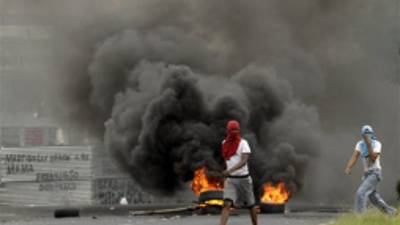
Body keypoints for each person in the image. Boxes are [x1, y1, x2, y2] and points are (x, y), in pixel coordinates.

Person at [345, 125, 397, 215]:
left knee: (360, 193)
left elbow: (373, 158)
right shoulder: (359, 144)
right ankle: (392, 213)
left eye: (369, 133)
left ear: (372, 134)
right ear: (362, 135)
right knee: (374, 199)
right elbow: (355, 156)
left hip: (375, 174)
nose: (367, 135)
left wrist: (369, 145)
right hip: (366, 175)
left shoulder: (377, 144)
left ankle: (359, 218)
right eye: (365, 134)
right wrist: (349, 167)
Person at [219, 120, 258, 225]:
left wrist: (230, 171)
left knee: (251, 205)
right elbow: (227, 160)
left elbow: (244, 161)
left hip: (244, 179)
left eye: (236, 129)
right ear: (228, 130)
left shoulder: (243, 143)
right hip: (231, 180)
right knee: (226, 204)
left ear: (239, 130)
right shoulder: (224, 143)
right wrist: (225, 176)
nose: (234, 132)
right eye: (232, 130)